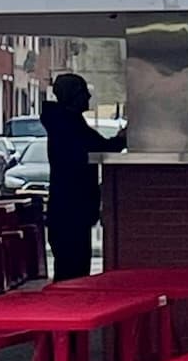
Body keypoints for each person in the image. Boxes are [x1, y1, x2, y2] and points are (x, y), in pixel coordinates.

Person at [40, 72, 126, 281]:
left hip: (69, 209)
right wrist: (124, 137)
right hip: (71, 209)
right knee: (73, 271)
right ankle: (68, 310)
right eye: (83, 93)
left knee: (72, 268)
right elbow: (101, 147)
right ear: (73, 96)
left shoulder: (66, 122)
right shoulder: (68, 126)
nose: (88, 97)